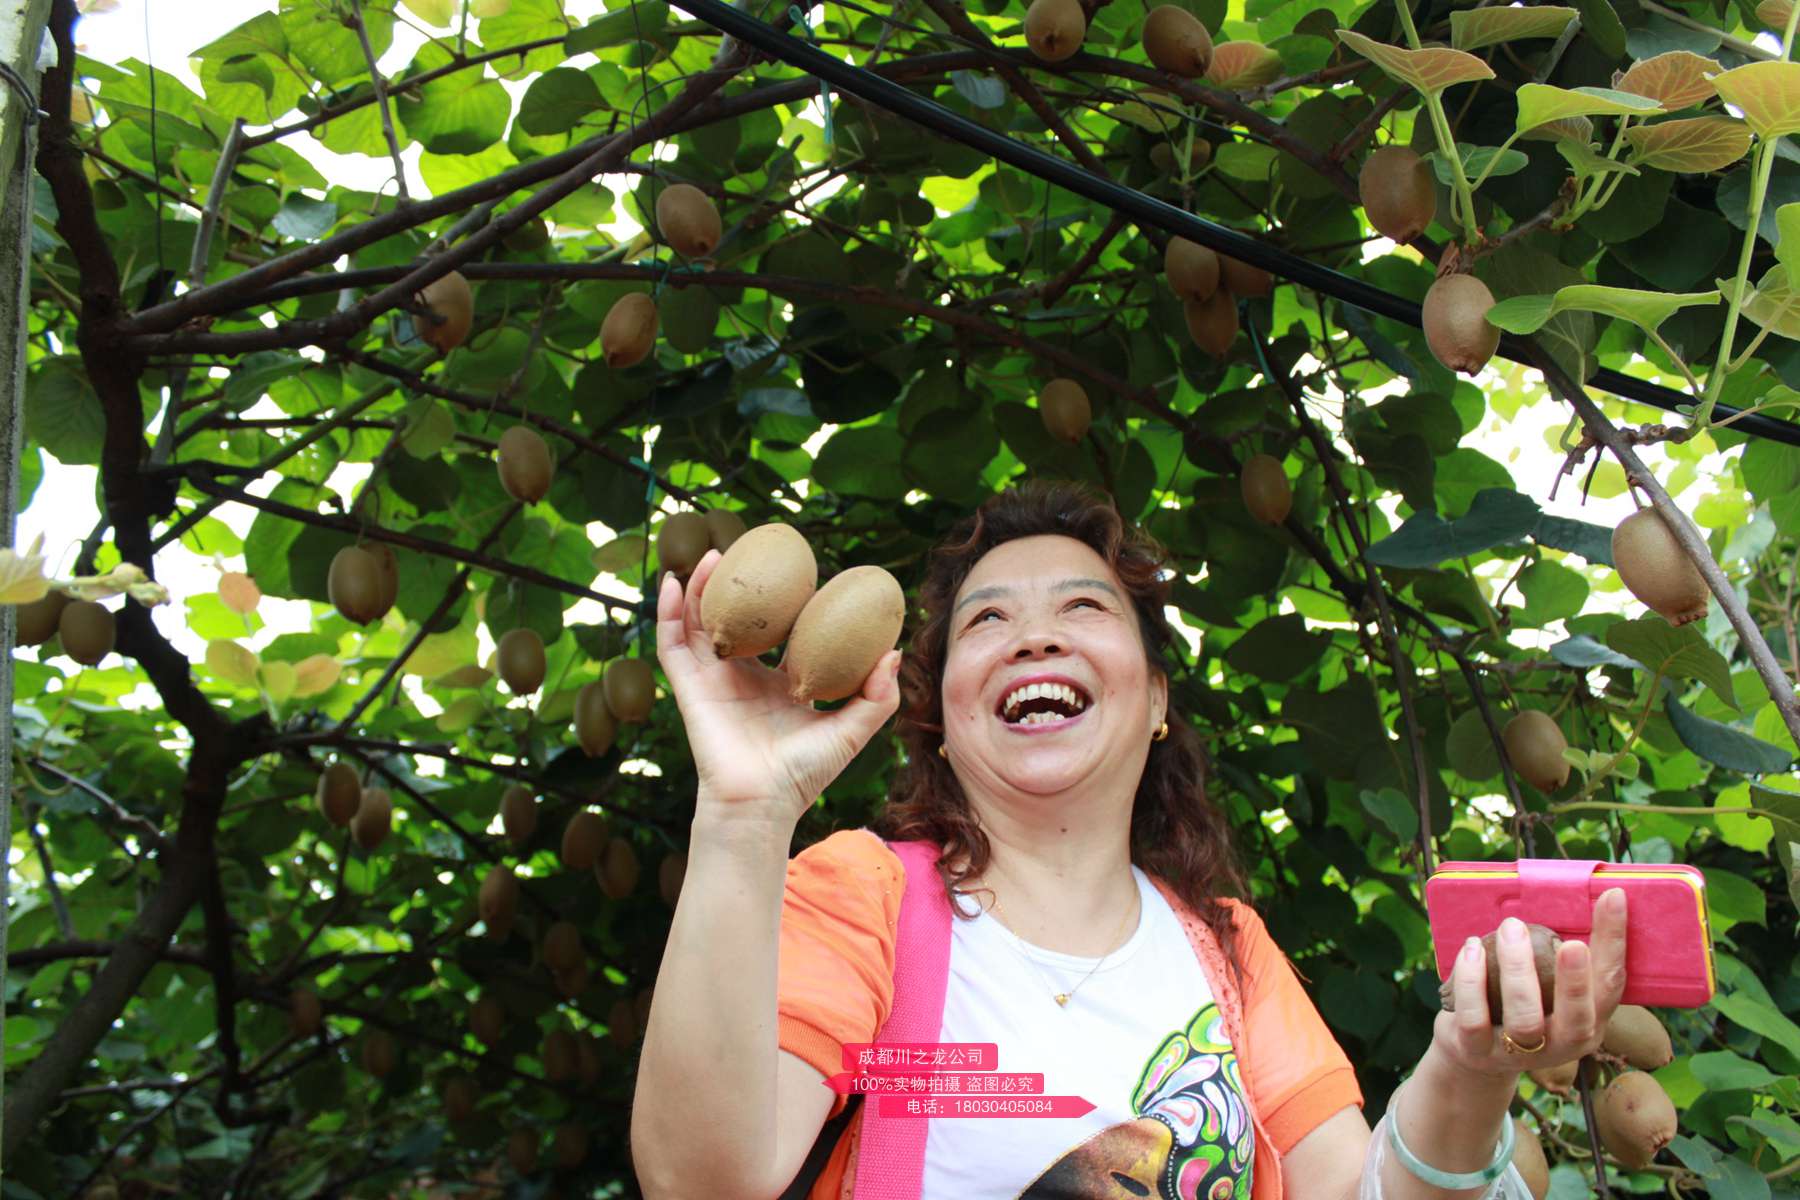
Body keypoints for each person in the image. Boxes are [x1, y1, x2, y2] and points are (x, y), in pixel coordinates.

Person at [631, 480, 1628, 1200]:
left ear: (1153, 697)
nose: (1035, 636)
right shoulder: (864, 893)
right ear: (940, 713)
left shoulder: (1228, 949)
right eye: (986, 621)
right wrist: (746, 813)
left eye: (1082, 607)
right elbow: (701, 1180)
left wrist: (1471, 1067)